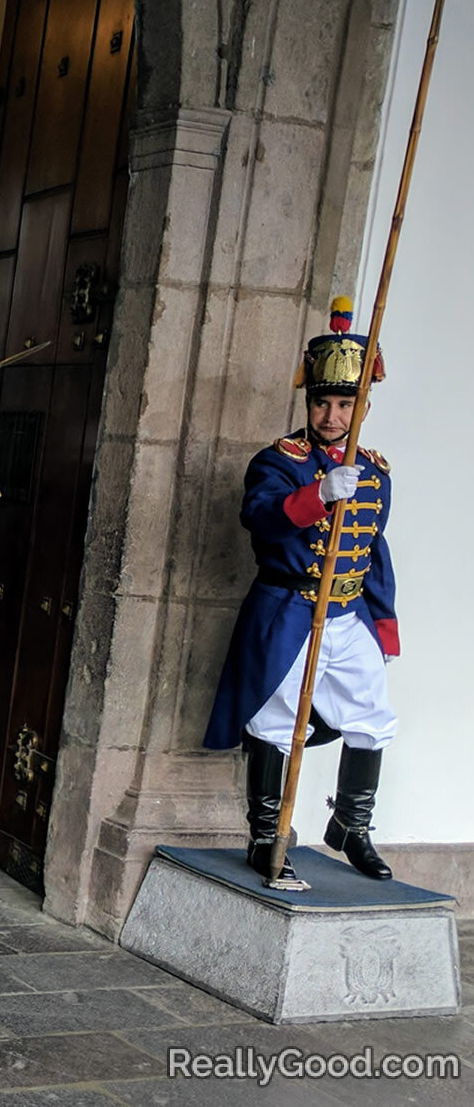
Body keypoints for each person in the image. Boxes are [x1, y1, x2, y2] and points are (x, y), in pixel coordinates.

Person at [205, 297, 398, 883]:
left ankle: (351, 826)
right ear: (309, 403)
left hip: (346, 615)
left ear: (361, 405)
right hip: (288, 611)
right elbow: (260, 518)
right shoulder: (278, 461)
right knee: (277, 718)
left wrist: (383, 624)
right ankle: (266, 836)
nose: (333, 416)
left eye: (345, 404)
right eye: (323, 403)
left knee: (373, 716)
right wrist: (318, 496)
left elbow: (374, 550)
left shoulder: (375, 468)